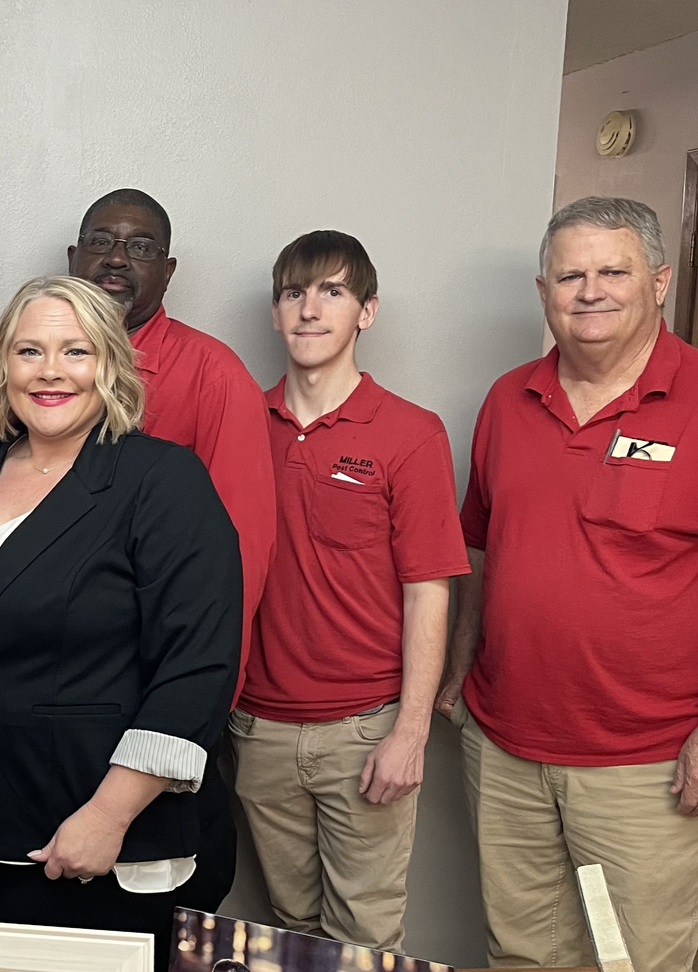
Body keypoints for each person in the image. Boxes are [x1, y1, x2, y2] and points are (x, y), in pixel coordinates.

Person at [439, 196, 698, 971]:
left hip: (647, 762)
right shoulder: (508, 399)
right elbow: (481, 546)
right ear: (544, 292)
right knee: (523, 953)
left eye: (612, 271)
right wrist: (462, 661)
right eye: (570, 274)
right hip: (505, 749)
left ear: (659, 282)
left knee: (633, 960)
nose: (589, 290)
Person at [0, 275, 242, 971]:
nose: (50, 372)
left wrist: (109, 814)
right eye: (29, 351)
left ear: (110, 364)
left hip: (89, 844)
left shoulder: (161, 482)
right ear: (1, 367)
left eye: (76, 352)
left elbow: (196, 666)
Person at [231, 231, 468, 950]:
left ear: (366, 311)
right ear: (275, 312)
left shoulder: (410, 433)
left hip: (364, 729)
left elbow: (429, 591)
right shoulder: (241, 424)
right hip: (257, 729)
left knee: (363, 935)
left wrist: (410, 731)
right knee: (292, 930)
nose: (310, 309)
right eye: (294, 293)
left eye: (331, 292)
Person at [67, 188, 273, 910]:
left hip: (161, 695)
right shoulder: (42, 371)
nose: (117, 257)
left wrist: (203, 709)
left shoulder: (215, 377)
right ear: (74, 257)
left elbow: (239, 559)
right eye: (102, 239)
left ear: (169, 269)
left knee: (155, 894)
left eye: (141, 245)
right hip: (58, 698)